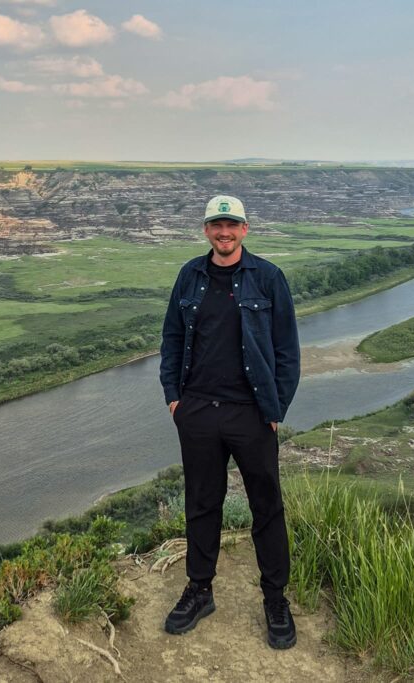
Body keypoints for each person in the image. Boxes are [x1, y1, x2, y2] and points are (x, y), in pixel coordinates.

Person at [159, 194, 301, 649]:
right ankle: (200, 590)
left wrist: (275, 411)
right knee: (202, 503)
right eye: (216, 225)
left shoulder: (268, 278)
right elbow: (171, 339)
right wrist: (174, 401)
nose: (224, 232)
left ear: (245, 229)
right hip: (198, 411)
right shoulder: (190, 276)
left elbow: (287, 352)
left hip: (252, 414)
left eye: (232, 225)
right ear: (206, 230)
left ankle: (275, 597)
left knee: (267, 506)